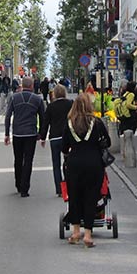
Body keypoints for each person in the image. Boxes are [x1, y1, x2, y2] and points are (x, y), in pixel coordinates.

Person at [61, 94, 110, 248]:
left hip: (74, 163)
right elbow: (107, 142)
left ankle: (76, 232)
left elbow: (63, 147)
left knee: (74, 196)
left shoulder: (69, 124)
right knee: (91, 197)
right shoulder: (97, 122)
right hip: (94, 164)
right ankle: (88, 235)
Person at [4, 76, 46, 197]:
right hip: (31, 133)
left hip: (17, 133)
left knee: (18, 159)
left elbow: (8, 116)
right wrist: (41, 134)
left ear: (22, 85)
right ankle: (25, 188)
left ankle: (18, 184)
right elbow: (42, 117)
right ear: (32, 86)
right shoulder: (37, 99)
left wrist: (7, 133)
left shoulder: (14, 98)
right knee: (28, 160)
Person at [39, 84, 73, 196]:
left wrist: (42, 137)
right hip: (67, 137)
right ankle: (69, 185)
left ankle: (59, 189)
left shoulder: (51, 106)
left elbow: (45, 123)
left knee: (56, 164)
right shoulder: (70, 104)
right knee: (69, 162)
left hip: (54, 137)